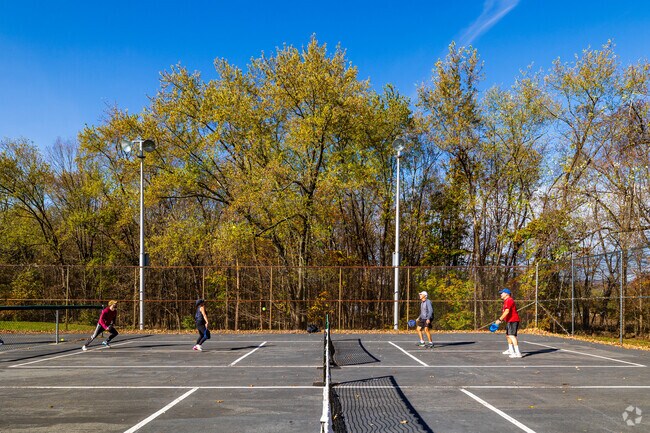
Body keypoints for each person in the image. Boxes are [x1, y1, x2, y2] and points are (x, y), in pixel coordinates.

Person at [495, 288, 522, 358]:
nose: (501, 294)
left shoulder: (509, 300)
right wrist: (503, 319)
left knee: (512, 335)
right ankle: (510, 350)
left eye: (502, 293)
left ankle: (517, 353)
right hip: (509, 320)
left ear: (507, 294)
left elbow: (507, 311)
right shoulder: (506, 301)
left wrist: (499, 319)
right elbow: (506, 313)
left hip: (513, 320)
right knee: (508, 335)